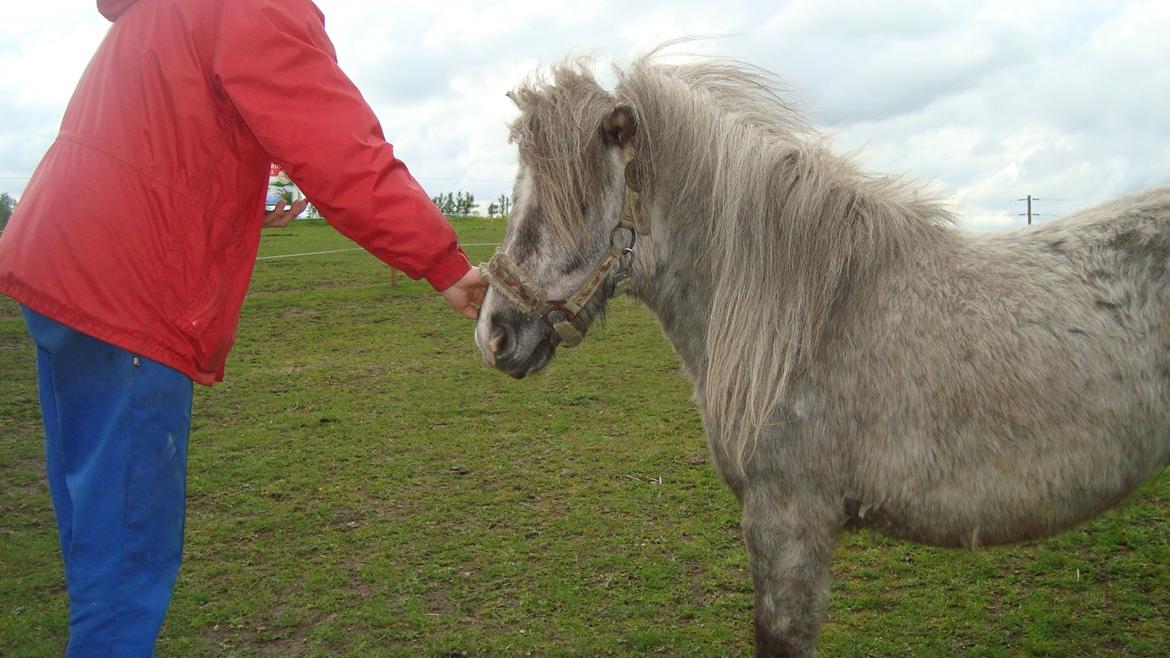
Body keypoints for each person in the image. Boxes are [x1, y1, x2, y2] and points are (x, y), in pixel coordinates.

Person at [0, 0, 487, 655]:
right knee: (123, 565)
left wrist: (243, 198)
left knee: (98, 534)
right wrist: (443, 263)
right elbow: (339, 151)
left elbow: (167, 139)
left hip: (61, 264)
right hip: (130, 287)